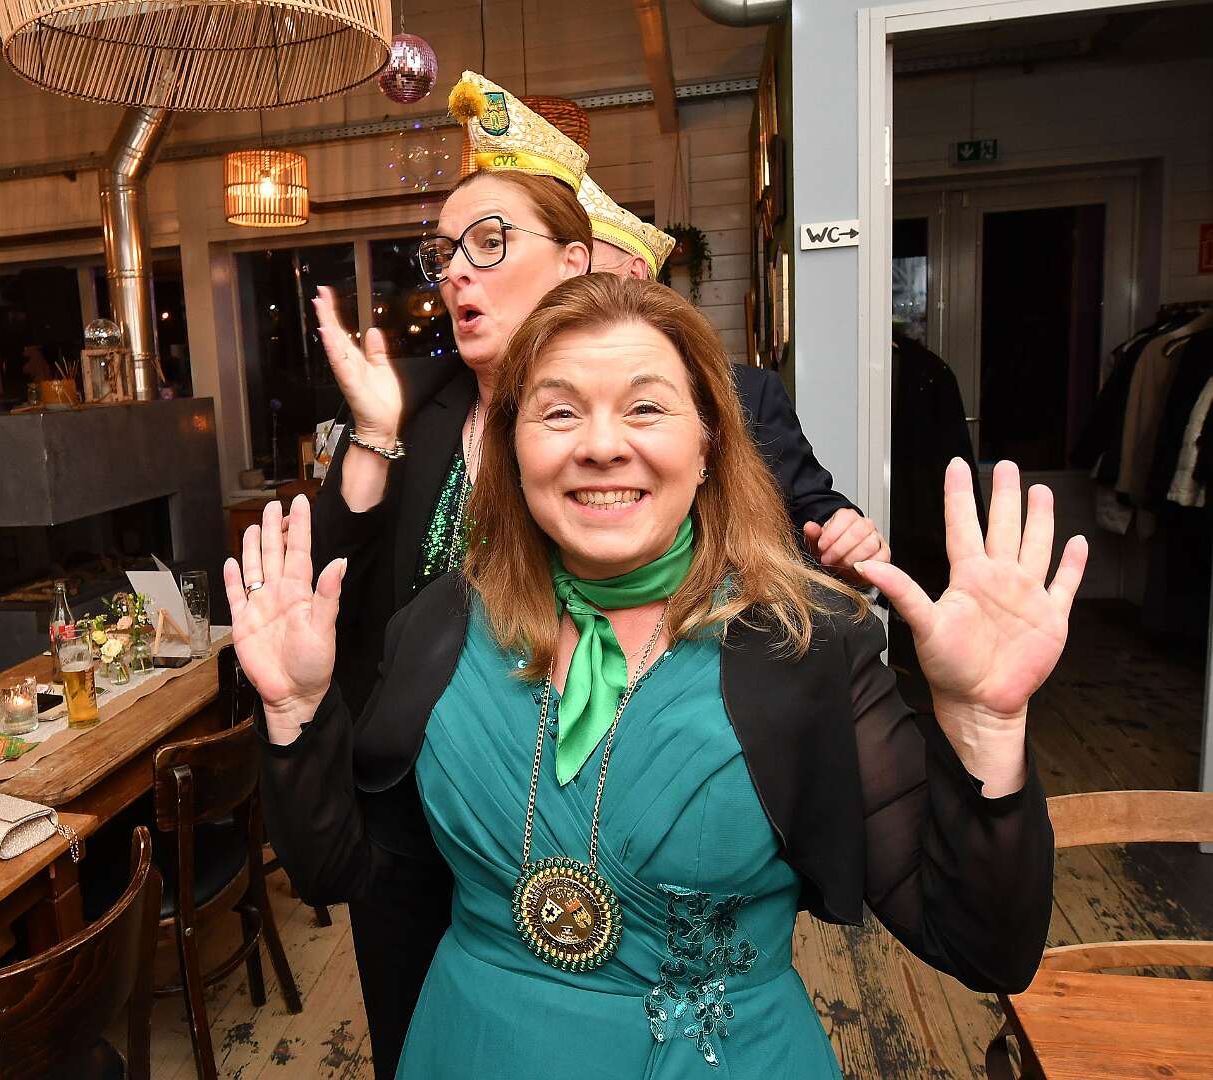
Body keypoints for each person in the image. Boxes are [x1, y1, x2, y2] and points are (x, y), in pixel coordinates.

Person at [235, 274, 1086, 1078]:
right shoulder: (441, 625)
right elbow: (336, 874)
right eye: (559, 412)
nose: (603, 446)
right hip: (468, 1045)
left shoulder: (807, 642)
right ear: (513, 446)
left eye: (645, 407)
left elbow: (982, 949)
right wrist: (296, 710)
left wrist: (984, 725)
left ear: (709, 442)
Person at [306, 70, 886, 1077]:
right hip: (428, 800)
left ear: (574, 262)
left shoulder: (707, 392)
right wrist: (372, 438)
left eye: (490, 244)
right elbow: (328, 598)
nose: (457, 275)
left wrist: (839, 535)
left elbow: (789, 510)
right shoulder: (414, 403)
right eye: (444, 254)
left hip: (631, 806)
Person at [578, 172, 887, 573]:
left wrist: (844, 538)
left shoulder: (748, 393)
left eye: (581, 269)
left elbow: (811, 505)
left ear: (634, 274)